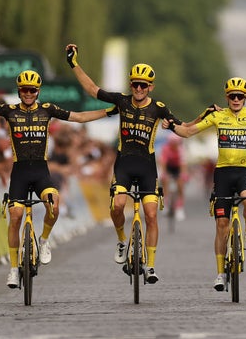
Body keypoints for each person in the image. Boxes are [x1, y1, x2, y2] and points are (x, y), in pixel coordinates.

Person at [0, 71, 113, 288]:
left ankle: (44, 241)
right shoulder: (9, 111)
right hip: (20, 173)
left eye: (32, 90)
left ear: (38, 91)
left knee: (54, 205)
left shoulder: (47, 109)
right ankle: (13, 269)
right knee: (15, 216)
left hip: (41, 172)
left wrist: (109, 111)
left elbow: (79, 117)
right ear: (19, 91)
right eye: (24, 90)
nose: (29, 93)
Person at [66, 44, 179, 284]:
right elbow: (91, 89)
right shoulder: (121, 101)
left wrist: (206, 118)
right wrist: (74, 64)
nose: (139, 88)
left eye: (144, 85)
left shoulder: (159, 108)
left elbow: (185, 129)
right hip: (124, 166)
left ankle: (150, 266)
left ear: (151, 87)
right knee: (117, 206)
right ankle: (120, 240)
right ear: (131, 85)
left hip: (148, 168)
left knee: (150, 215)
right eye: (135, 84)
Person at [163, 77, 246, 291]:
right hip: (222, 174)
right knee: (221, 225)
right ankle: (220, 272)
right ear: (227, 97)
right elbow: (189, 131)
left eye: (240, 96)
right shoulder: (218, 116)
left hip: (243, 172)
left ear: (245, 98)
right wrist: (171, 125)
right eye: (232, 96)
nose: (236, 99)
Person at [159, 132, 187, 221]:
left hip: (178, 167)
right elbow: (163, 162)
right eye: (172, 143)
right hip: (168, 167)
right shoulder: (165, 148)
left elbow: (183, 164)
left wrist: (183, 174)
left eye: (176, 143)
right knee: (165, 182)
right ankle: (166, 204)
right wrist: (163, 174)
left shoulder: (181, 149)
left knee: (180, 185)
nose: (174, 145)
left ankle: (179, 208)